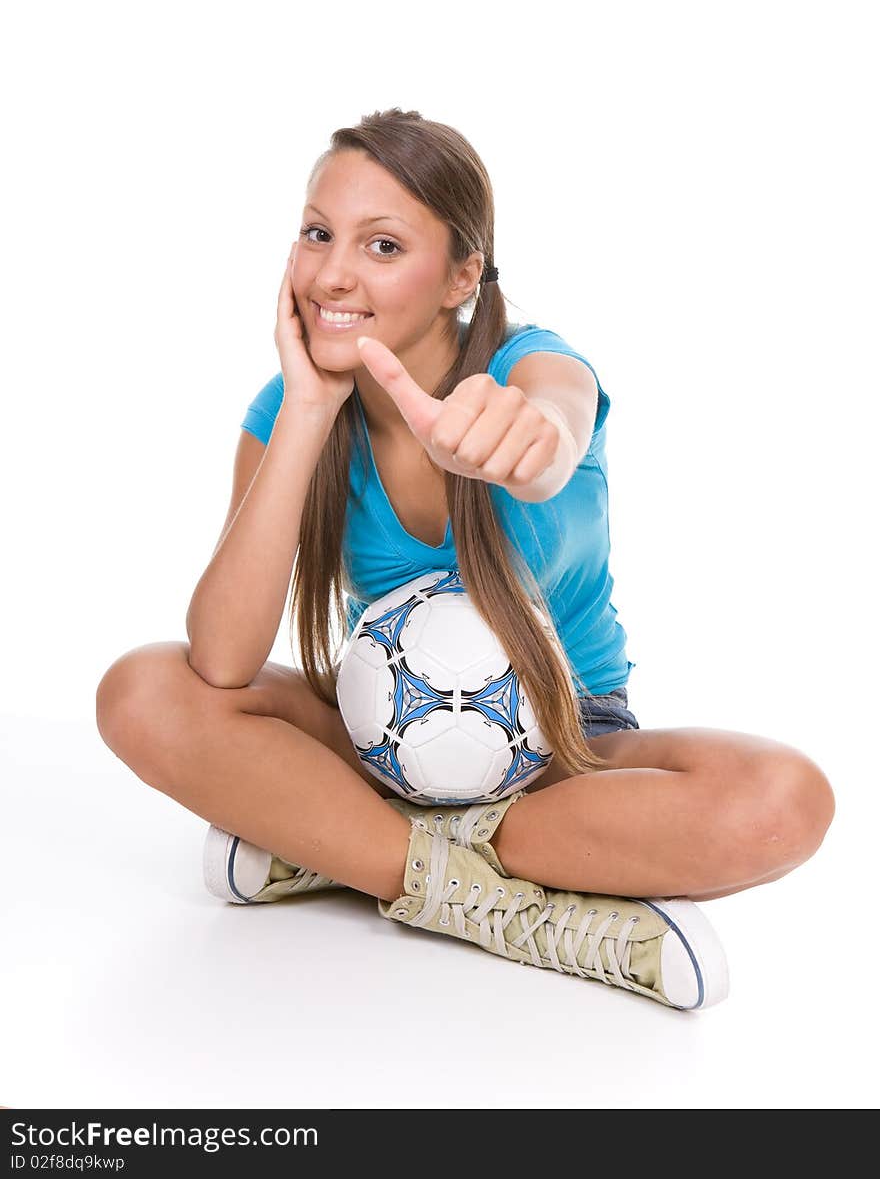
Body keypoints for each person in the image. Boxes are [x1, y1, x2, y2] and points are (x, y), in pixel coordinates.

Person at [96, 107, 835, 1012]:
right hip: (384, 734)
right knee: (142, 689)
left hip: (564, 750)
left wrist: (531, 443)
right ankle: (481, 902)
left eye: (383, 246)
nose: (331, 272)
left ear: (462, 276)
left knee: (783, 801)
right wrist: (306, 411)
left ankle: (331, 846)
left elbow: (555, 421)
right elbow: (220, 660)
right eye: (318, 233)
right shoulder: (284, 412)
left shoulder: (534, 367)